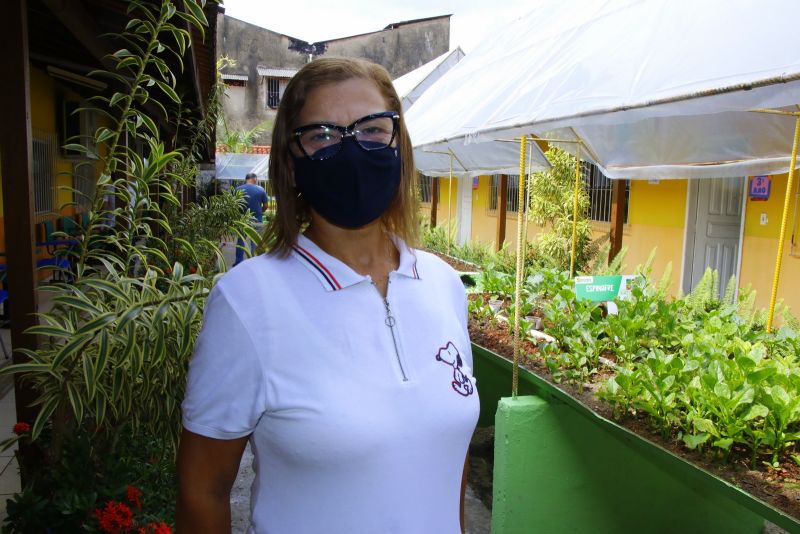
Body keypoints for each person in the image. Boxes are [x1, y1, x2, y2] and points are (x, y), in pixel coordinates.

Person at [177, 57, 479, 534]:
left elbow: (446, 465)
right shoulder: (247, 301)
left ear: (400, 146)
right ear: (290, 164)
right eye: (322, 136)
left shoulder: (444, 287)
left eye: (373, 130)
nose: (352, 150)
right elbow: (202, 491)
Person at [233, 172, 269, 266]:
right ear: (255, 179)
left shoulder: (237, 189)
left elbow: (234, 206)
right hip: (257, 220)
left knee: (241, 241)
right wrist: (259, 211)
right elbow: (266, 206)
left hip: (242, 220)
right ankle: (255, 264)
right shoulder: (261, 189)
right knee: (255, 242)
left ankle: (238, 263)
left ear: (246, 179)